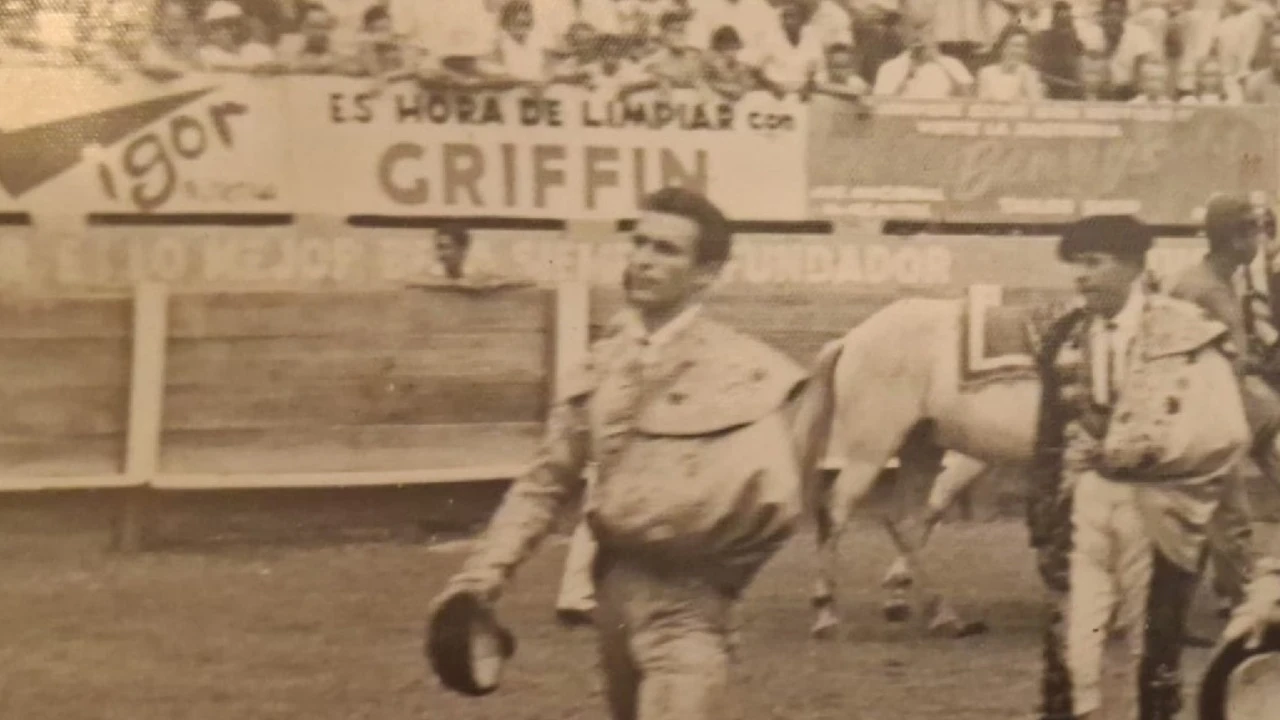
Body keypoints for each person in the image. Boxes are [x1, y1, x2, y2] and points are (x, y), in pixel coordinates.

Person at [428, 187, 829, 720]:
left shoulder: (742, 370)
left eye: (665, 250)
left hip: (690, 607)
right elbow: (545, 484)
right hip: (612, 599)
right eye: (639, 243)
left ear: (705, 274)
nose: (642, 259)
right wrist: (479, 579)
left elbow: (776, 502)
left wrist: (709, 582)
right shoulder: (604, 364)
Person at [1027, 215, 1248, 720]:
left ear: (1131, 265)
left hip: (1157, 505)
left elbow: (1225, 431)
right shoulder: (1065, 333)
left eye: (1093, 263)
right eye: (1075, 266)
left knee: (1150, 646)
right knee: (1072, 642)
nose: (1081, 277)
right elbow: (1047, 434)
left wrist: (1149, 455)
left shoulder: (1183, 329)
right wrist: (1043, 516)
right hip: (1083, 500)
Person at [1170, 194, 1280, 618]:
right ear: (1237, 239)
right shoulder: (1205, 289)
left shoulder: (1213, 280)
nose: (1260, 239)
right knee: (1230, 518)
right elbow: (1206, 367)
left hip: (1218, 415)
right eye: (1254, 230)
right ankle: (1241, 608)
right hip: (1210, 423)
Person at [976, 25, 1044, 101]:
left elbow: (1036, 107)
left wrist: (1027, 78)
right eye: (1016, 46)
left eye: (1024, 47)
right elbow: (981, 106)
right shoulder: (986, 73)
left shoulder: (1029, 73)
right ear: (1003, 47)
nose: (1021, 51)